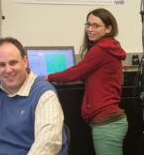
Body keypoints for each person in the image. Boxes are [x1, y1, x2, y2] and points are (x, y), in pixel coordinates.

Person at [45, 8, 128, 155]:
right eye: (88, 24)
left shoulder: (101, 49)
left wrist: (48, 77)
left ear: (108, 28)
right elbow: (90, 74)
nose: (90, 29)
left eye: (95, 26)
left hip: (107, 123)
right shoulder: (109, 46)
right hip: (108, 121)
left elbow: (74, 73)